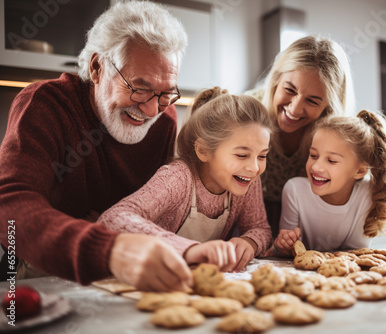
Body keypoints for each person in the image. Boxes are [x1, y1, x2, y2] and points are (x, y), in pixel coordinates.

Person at [0, 1, 233, 292]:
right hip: (42, 273)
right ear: (97, 68)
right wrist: (109, 248)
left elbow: (154, 210)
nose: (150, 110)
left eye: (164, 93)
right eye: (139, 87)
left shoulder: (164, 120)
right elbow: (10, 207)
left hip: (123, 274)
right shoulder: (46, 105)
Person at [98, 87, 274, 271]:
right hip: (151, 272)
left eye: (262, 156)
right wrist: (187, 249)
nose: (254, 168)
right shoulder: (177, 178)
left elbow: (260, 228)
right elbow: (112, 218)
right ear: (203, 151)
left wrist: (250, 242)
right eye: (241, 155)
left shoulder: (245, 178)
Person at [252, 35, 356, 237]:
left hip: (304, 233)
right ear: (276, 80)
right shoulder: (245, 114)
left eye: (313, 101)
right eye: (289, 90)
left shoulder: (336, 137)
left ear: (329, 107)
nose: (295, 108)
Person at [274, 110, 386, 254]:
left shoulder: (369, 194)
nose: (316, 166)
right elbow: (287, 251)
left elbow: (355, 253)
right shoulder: (294, 190)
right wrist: (284, 244)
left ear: (360, 171)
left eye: (331, 160)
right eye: (313, 155)